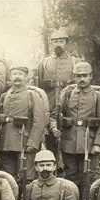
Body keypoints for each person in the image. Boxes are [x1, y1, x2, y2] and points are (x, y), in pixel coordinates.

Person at [50, 61, 100, 198]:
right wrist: (54, 127)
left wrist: (97, 143)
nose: (82, 79)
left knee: (87, 177)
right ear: (74, 77)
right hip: (68, 141)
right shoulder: (67, 94)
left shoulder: (98, 95)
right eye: (78, 76)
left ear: (90, 76)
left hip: (89, 142)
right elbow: (54, 115)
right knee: (70, 176)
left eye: (85, 75)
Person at [0, 64, 47, 183]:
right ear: (10, 76)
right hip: (5, 142)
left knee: (26, 176)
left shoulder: (33, 95)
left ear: (26, 76)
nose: (17, 77)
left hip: (24, 142)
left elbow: (39, 121)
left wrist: (33, 142)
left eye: (20, 74)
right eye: (14, 74)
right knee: (7, 177)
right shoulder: (5, 96)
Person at [37, 29, 80, 158]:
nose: (58, 44)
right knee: (49, 137)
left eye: (61, 41)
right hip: (49, 104)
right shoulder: (43, 63)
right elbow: (37, 87)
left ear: (66, 43)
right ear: (51, 44)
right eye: (55, 41)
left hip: (69, 106)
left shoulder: (75, 62)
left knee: (69, 137)